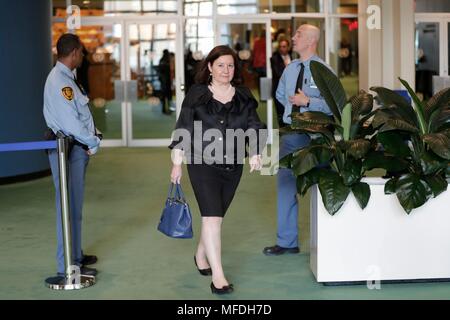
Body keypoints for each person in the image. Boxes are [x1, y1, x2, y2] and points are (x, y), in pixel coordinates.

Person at [168, 45, 267, 294]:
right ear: (210, 67)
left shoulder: (243, 96)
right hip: (202, 163)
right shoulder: (197, 94)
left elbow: (254, 125)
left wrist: (255, 152)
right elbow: (184, 127)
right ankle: (218, 277)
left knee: (215, 217)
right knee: (212, 218)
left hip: (232, 166)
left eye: (231, 65)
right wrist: (177, 162)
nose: (226, 70)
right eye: (220, 65)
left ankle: (201, 255)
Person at [263, 24, 333, 256]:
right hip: (293, 134)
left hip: (318, 138)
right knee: (285, 186)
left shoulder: (324, 70)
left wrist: (309, 103)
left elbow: (336, 105)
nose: (293, 38)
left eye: (298, 34)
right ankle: (287, 242)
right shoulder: (290, 68)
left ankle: (327, 243)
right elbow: (281, 95)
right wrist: (293, 113)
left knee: (323, 188)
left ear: (312, 40)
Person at [43, 33, 101, 278]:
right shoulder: (61, 82)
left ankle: (75, 254)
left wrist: (92, 132)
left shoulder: (68, 78)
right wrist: (93, 141)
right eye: (82, 52)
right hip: (68, 149)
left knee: (73, 205)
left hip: (75, 148)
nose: (83, 56)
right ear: (75, 52)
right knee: (66, 206)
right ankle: (66, 264)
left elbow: (80, 114)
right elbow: (71, 124)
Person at [270, 38, 292, 128]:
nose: (282, 48)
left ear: (288, 47)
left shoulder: (293, 57)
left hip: (291, 90)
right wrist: (287, 67)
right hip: (279, 90)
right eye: (280, 46)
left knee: (290, 112)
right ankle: (282, 132)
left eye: (284, 46)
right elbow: (278, 73)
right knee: (280, 113)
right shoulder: (274, 59)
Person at [158, 49, 172, 115]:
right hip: (166, 81)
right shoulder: (167, 61)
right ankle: (167, 109)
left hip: (162, 80)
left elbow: (159, 71)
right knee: (167, 95)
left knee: (164, 95)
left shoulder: (161, 60)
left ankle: (164, 109)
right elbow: (168, 71)